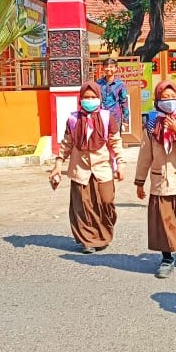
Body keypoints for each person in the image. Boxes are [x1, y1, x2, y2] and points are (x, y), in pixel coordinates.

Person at [134, 79, 176, 278]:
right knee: (164, 224)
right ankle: (167, 258)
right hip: (160, 183)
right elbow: (145, 156)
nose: (169, 101)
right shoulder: (151, 126)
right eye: (165, 98)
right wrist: (140, 182)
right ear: (157, 101)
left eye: (173, 97)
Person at [48, 81, 125, 254]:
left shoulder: (106, 118)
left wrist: (120, 164)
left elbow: (115, 142)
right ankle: (88, 240)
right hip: (80, 169)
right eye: (86, 97)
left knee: (107, 202)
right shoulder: (73, 119)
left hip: (102, 168)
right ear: (80, 99)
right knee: (83, 206)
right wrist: (58, 164)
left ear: (99, 98)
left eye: (93, 97)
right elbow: (66, 143)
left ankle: (103, 234)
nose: (89, 100)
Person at [97, 57, 130, 133]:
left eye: (111, 67)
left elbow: (124, 102)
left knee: (115, 138)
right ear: (103, 68)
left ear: (115, 69)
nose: (108, 69)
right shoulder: (98, 83)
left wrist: (125, 120)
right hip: (101, 117)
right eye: (106, 66)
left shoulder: (120, 84)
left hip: (115, 118)